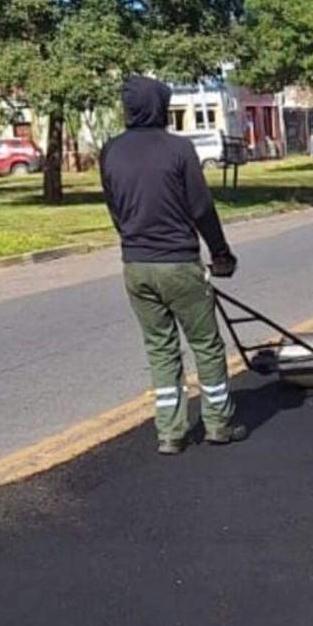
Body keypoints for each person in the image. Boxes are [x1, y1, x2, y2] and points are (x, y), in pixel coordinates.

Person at [100, 75, 246, 455]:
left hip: (136, 265)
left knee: (160, 348)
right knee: (206, 345)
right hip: (178, 263)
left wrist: (134, 239)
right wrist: (220, 253)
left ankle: (170, 432)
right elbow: (200, 207)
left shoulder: (110, 151)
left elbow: (115, 209)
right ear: (158, 106)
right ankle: (218, 423)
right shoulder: (178, 149)